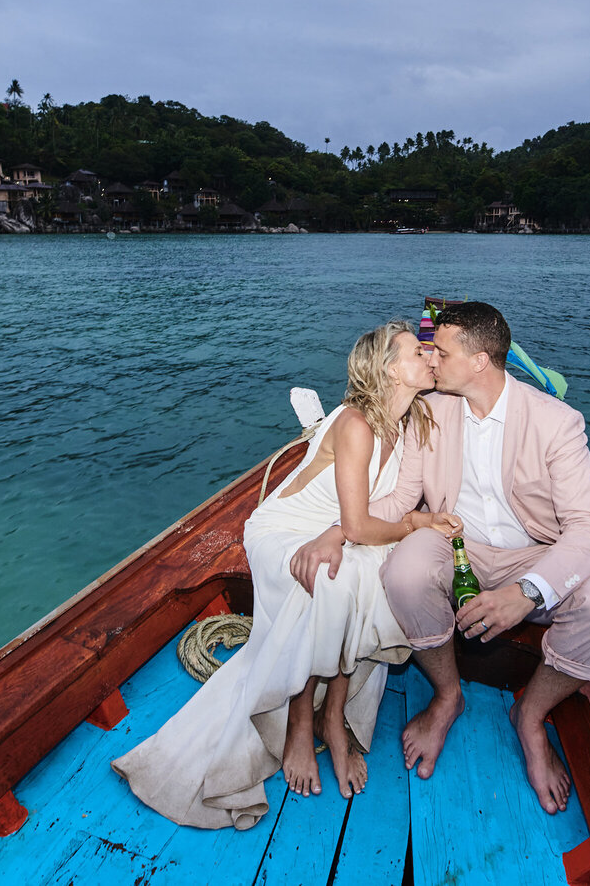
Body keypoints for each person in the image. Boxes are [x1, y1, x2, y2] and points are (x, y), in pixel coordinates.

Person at [112, 320, 458, 829]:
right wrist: (416, 523)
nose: (431, 359)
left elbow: (369, 520)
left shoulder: (408, 422)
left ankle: (333, 717)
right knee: (336, 579)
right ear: (388, 370)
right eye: (417, 353)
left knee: (370, 574)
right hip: (283, 532)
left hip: (331, 531)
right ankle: (301, 721)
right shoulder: (357, 424)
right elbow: (362, 525)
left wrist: (391, 526)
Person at [375, 301, 590, 814]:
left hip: (534, 555)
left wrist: (527, 591)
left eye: (440, 352)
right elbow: (403, 499)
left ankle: (531, 715)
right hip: (455, 539)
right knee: (404, 572)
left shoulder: (556, 422)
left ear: (478, 361)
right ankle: (447, 695)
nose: (430, 361)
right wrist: (330, 523)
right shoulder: (430, 410)